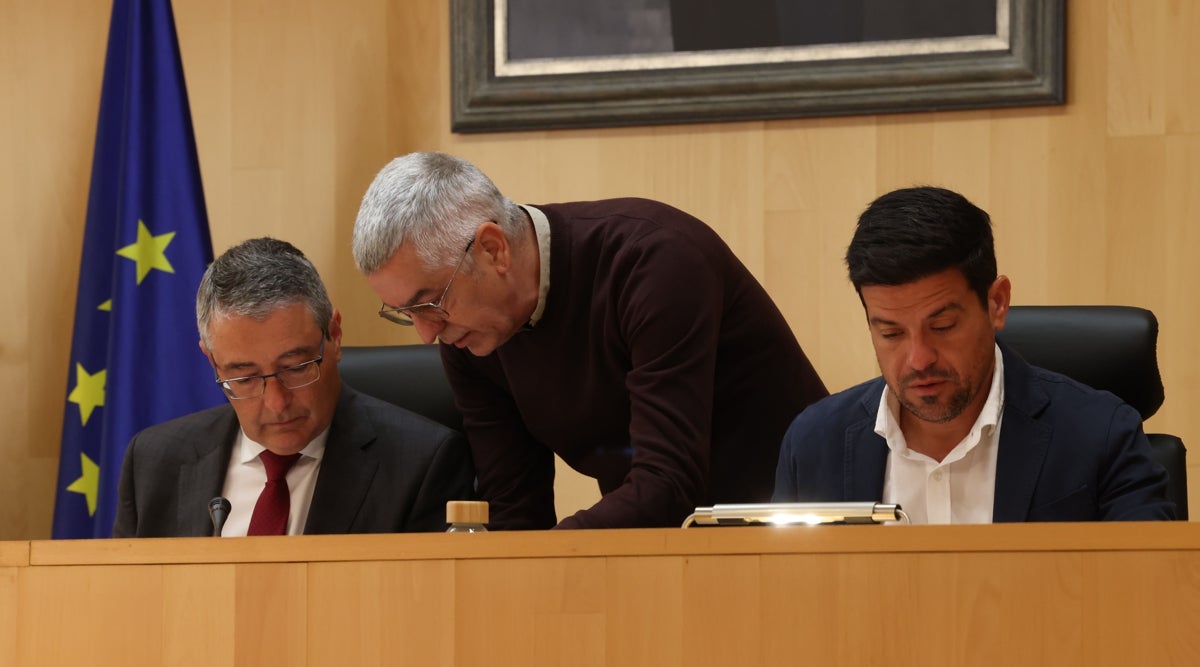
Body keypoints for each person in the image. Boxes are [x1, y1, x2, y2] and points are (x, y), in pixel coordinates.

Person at [352, 152, 828, 529]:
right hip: (667, 553)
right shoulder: (471, 337)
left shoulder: (653, 262)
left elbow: (668, 484)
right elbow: (516, 510)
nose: (426, 332)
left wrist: (550, 556)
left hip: (804, 527)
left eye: (429, 302)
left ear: (493, 249)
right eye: (406, 314)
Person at [773, 186, 1175, 522]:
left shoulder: (1100, 436)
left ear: (997, 303)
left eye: (942, 327)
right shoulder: (813, 445)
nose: (919, 359)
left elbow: (1150, 594)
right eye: (891, 332)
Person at [113, 237, 475, 537]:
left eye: (295, 367)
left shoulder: (423, 465)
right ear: (211, 360)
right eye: (245, 377)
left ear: (333, 335)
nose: (276, 402)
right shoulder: (154, 462)